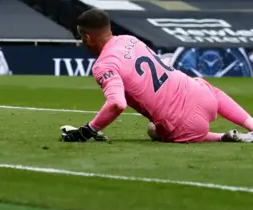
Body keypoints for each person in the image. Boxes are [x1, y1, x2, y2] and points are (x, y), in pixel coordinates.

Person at [61, 8, 253, 143]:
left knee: (154, 130)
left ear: (87, 37)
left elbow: (117, 103)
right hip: (204, 97)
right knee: (204, 85)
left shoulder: (104, 65)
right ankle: (251, 125)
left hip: (185, 124)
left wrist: (89, 130)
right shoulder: (130, 39)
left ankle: (220, 137)